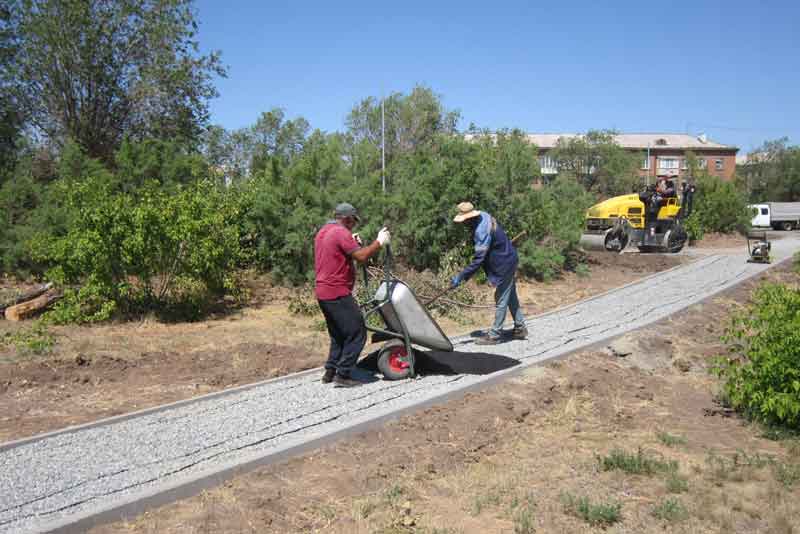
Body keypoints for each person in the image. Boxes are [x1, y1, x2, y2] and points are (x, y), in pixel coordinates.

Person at [314, 203, 390, 387]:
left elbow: (337, 252)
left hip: (323, 291)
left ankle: (330, 372)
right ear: (347, 218)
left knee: (339, 334)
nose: (354, 225)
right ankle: (343, 374)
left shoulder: (324, 231)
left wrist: (351, 242)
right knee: (357, 333)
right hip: (337, 291)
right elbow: (362, 257)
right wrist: (379, 242)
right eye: (353, 221)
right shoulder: (341, 232)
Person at [450, 202, 527, 345]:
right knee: (510, 297)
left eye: (464, 221)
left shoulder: (481, 231)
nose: (464, 225)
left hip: (504, 263)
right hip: (507, 256)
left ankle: (495, 335)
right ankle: (520, 327)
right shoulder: (484, 215)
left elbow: (479, 259)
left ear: (469, 219)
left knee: (501, 297)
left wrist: (461, 276)